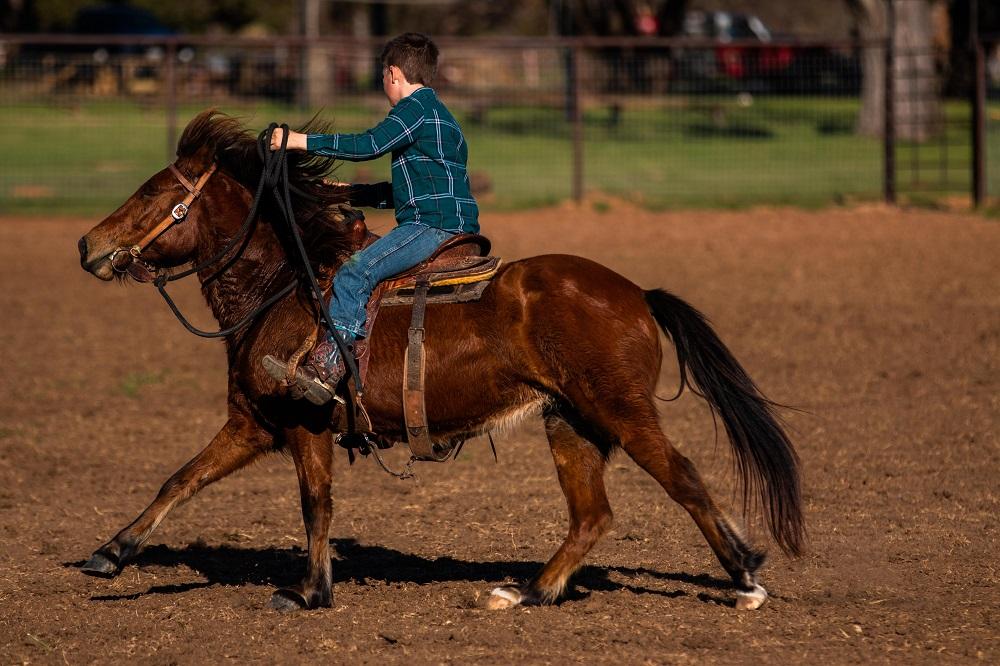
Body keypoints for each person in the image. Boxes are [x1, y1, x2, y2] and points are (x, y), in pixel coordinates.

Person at [262, 32, 480, 406]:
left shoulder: (413, 110)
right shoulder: (445, 119)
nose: (384, 85)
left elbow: (369, 145)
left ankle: (330, 365)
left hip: (430, 227)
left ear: (393, 74)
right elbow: (408, 189)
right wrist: (346, 193)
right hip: (457, 225)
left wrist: (299, 141)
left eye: (383, 77)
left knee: (355, 272)